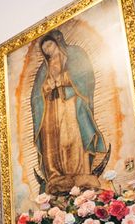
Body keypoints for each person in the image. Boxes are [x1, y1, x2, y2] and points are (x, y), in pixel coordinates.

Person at [30, 29, 110, 195]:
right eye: (45, 49)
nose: (48, 50)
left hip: (72, 103)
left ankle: (82, 172)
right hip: (52, 109)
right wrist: (46, 88)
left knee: (73, 138)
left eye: (50, 45)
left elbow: (85, 77)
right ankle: (57, 175)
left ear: (58, 42)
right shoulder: (43, 69)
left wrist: (64, 80)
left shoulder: (74, 55)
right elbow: (36, 96)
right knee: (54, 142)